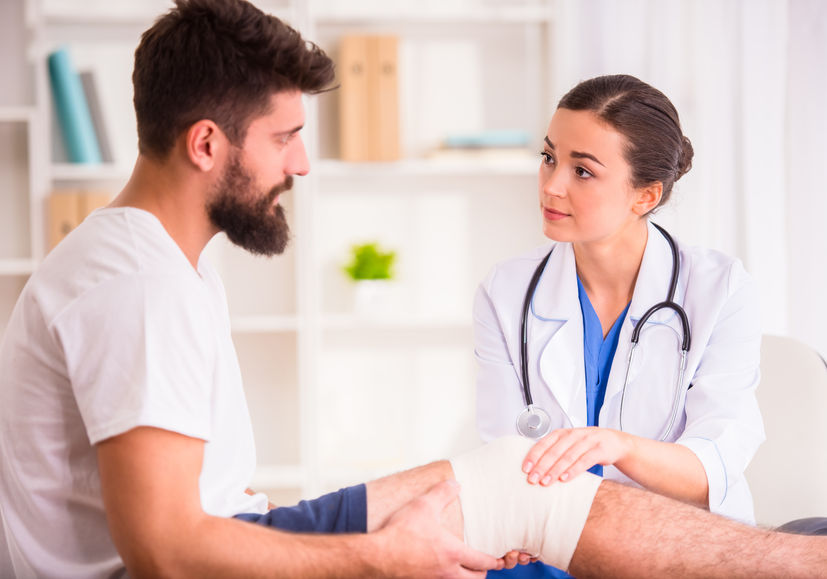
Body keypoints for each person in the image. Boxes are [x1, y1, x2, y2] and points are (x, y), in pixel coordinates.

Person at [1, 1, 826, 577]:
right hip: (216, 545)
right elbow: (165, 553)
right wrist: (377, 556)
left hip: (240, 526)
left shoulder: (157, 264)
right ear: (208, 144)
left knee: (488, 481)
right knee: (511, 484)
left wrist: (607, 452)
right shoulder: (138, 285)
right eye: (285, 137)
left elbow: (189, 517)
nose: (302, 164)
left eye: (581, 169)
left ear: (646, 193)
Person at [474, 74, 765, 578]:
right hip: (545, 550)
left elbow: (711, 468)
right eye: (549, 157)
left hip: (676, 551)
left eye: (582, 171)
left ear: (645, 196)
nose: (551, 185)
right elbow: (506, 453)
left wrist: (620, 447)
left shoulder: (720, 290)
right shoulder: (506, 291)